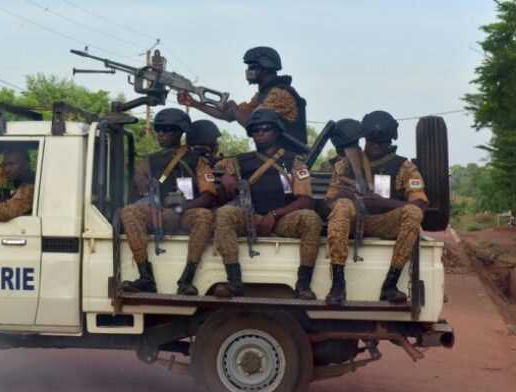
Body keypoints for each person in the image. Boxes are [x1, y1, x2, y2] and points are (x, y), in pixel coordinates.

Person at [212, 109, 322, 298]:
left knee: (311, 219)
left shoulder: (294, 162)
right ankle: (234, 281)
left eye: (266, 129)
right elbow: (210, 167)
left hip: (282, 219)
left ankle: (303, 285)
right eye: (256, 130)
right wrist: (226, 179)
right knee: (224, 214)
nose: (260, 133)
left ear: (277, 132)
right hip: (250, 216)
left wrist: (274, 215)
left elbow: (305, 199)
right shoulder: (239, 161)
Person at [325, 111, 428, 305]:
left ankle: (390, 284)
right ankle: (338, 284)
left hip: (384, 222)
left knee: (413, 213)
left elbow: (421, 203)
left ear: (390, 142)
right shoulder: (344, 165)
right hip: (352, 222)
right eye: (371, 142)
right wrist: (344, 195)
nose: (374, 147)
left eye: (381, 143)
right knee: (341, 206)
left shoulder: (404, 167)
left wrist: (382, 202)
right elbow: (327, 203)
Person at [121, 108, 217, 295]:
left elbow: (208, 195)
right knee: (130, 212)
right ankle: (145, 276)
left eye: (167, 130)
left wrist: (181, 209)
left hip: (186, 213)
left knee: (205, 216)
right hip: (159, 213)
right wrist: (140, 181)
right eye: (159, 130)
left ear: (180, 132)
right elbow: (139, 186)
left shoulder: (198, 161)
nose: (161, 134)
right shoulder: (149, 160)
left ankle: (187, 279)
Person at [177, 46, 307, 144]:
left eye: (251, 67)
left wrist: (234, 108)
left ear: (264, 68)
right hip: (273, 155)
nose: (248, 72)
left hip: (289, 157)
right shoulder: (263, 95)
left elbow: (253, 125)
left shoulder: (280, 94)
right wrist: (194, 103)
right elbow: (228, 115)